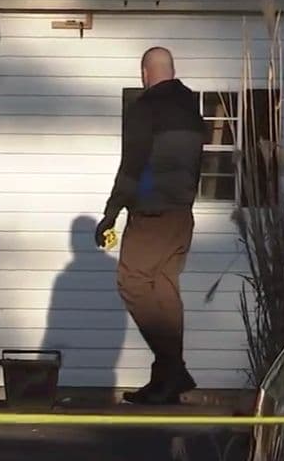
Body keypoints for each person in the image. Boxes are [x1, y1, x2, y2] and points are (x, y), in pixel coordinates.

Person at [95, 46, 205, 405]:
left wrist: (111, 213)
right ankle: (165, 381)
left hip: (152, 215)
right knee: (164, 288)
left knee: (132, 283)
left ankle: (173, 367)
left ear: (144, 72)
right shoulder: (191, 109)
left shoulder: (146, 107)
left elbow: (133, 165)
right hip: (181, 215)